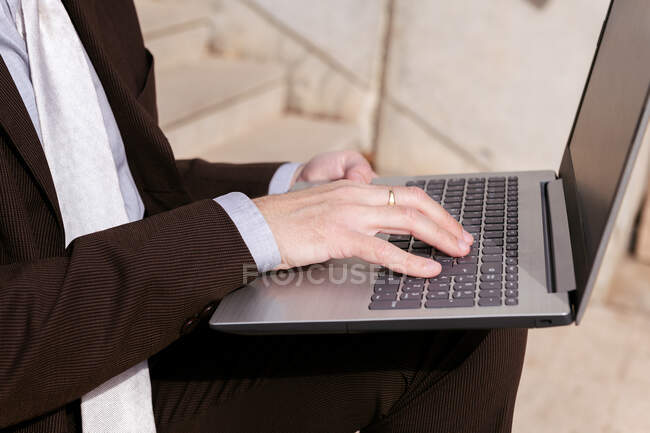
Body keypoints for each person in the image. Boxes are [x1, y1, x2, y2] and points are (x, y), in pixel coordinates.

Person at [0, 1, 527, 432]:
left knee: (469, 307)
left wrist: (288, 190)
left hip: (144, 333)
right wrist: (244, 232)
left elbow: (115, 184)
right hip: (47, 397)